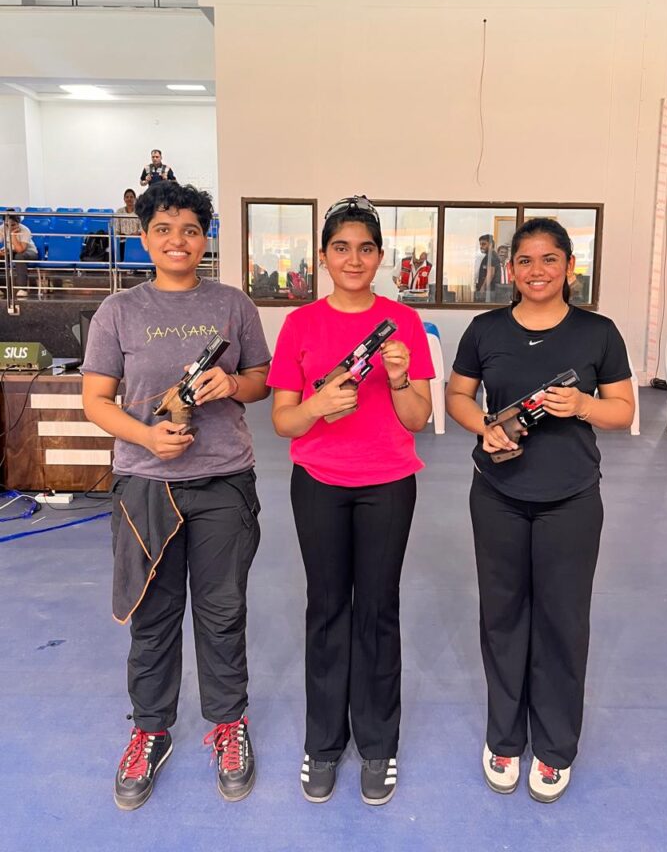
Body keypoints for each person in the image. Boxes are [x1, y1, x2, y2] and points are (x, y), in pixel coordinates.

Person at [82, 182, 271, 811]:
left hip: (223, 480)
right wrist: (146, 437)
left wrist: (232, 384)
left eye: (190, 229)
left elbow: (262, 380)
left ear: (205, 238)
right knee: (154, 614)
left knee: (222, 612)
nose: (178, 241)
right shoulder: (118, 311)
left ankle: (228, 724)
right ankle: (150, 731)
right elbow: (95, 400)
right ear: (144, 239)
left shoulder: (233, 304)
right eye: (163, 229)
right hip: (145, 484)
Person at [446, 217, 634, 804]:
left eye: (549, 259)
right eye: (524, 260)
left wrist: (582, 405)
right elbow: (457, 395)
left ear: (569, 267)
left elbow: (623, 410)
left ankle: (554, 747)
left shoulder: (598, 332)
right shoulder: (485, 329)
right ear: (510, 270)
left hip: (571, 500)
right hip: (497, 494)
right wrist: (485, 427)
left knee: (561, 622)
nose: (536, 270)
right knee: (502, 617)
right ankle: (504, 738)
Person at [268, 195, 434, 806]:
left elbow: (417, 417)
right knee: (327, 608)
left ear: (381, 257)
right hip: (319, 484)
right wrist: (316, 406)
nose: (354, 259)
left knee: (378, 610)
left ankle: (378, 743)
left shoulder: (403, 323)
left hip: (388, 483)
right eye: (341, 248)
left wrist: (398, 379)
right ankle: (323, 742)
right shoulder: (301, 324)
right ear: (323, 257)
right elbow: (283, 421)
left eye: (366, 248)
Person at [0, 213, 38, 297]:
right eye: (7, 225)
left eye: (13, 225)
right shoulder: (2, 228)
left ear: (18, 223)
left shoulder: (25, 230)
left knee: (19, 257)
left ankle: (22, 289)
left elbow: (20, 250)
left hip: (29, 252)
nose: (9, 228)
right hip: (11, 251)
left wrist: (13, 235)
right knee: (1, 257)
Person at [475, 234, 500, 302]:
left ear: (490, 245)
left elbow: (490, 273)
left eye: (483, 244)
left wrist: (483, 288)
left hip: (489, 292)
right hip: (489, 292)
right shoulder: (489, 256)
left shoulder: (491, 256)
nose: (481, 246)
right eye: (480, 244)